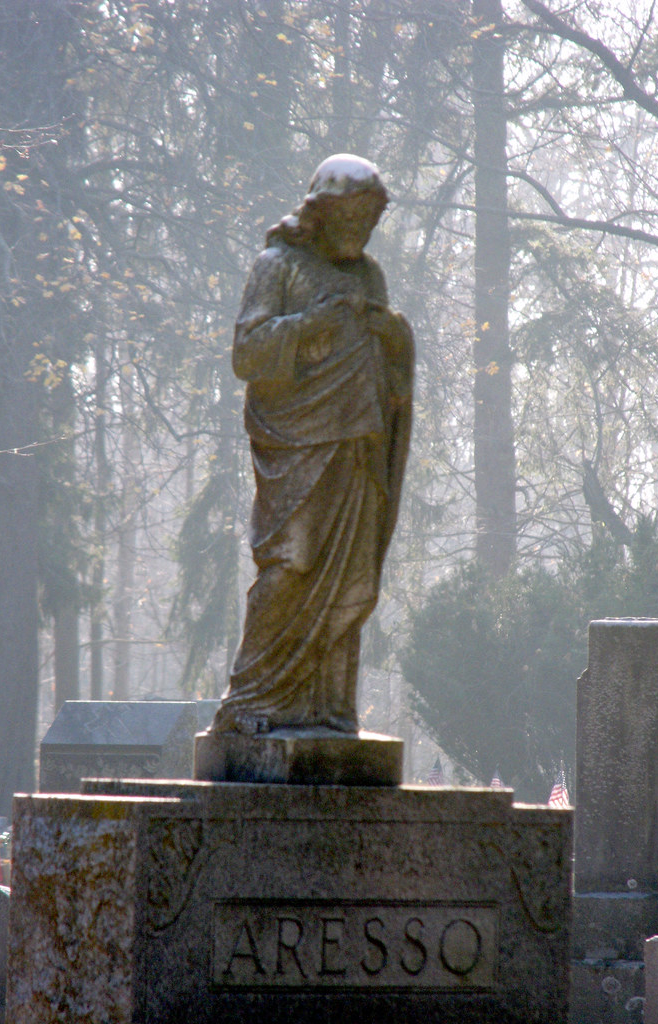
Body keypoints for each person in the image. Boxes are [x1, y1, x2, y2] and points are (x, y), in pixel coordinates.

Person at [212, 154, 414, 736]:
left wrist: (395, 339)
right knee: (291, 564)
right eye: (349, 218)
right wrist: (311, 324)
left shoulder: (369, 277)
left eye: (369, 221)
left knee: (351, 575)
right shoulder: (275, 265)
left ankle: (328, 709)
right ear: (320, 212)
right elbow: (247, 355)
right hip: (296, 442)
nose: (360, 231)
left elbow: (391, 370)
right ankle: (249, 700)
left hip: (357, 446)